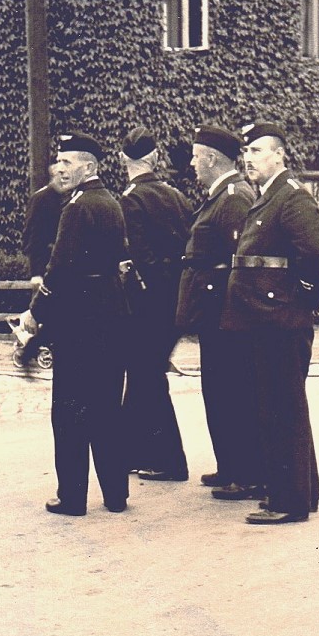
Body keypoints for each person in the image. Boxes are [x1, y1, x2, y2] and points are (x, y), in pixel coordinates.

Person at [220, 122, 319, 524]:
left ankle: (287, 502)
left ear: (279, 154)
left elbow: (314, 259)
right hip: (264, 320)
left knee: (283, 410)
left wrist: (298, 302)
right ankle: (303, 491)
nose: (249, 158)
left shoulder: (292, 196)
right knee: (281, 407)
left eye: (258, 151)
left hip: (279, 321)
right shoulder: (268, 196)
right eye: (246, 152)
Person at [38, 131, 130, 516]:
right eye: (59, 161)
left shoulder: (77, 207)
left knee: (70, 410)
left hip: (79, 318)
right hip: (111, 310)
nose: (60, 168)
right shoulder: (110, 202)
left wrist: (36, 311)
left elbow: (59, 267)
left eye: (68, 161)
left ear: (88, 166)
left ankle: (72, 497)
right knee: (107, 407)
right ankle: (116, 494)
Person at [177, 124, 263, 498]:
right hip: (213, 314)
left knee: (233, 393)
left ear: (212, 159)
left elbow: (240, 261)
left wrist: (232, 313)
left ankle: (246, 473)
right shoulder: (221, 196)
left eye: (196, 157)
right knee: (218, 391)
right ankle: (229, 465)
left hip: (226, 314)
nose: (192, 164)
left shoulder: (234, 197)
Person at [118, 125, 192, 482]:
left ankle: (170, 460)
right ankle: (132, 452)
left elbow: (138, 257)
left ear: (123, 159)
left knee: (147, 377)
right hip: (176, 300)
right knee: (143, 375)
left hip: (146, 305)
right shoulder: (175, 196)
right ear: (155, 158)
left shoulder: (130, 199)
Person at [20, 163, 73, 366]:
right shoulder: (42, 198)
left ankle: (37, 346)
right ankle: (30, 346)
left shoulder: (65, 198)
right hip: (45, 263)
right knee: (44, 308)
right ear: (54, 175)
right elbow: (33, 236)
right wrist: (36, 271)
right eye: (60, 174)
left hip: (58, 262)